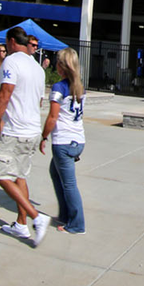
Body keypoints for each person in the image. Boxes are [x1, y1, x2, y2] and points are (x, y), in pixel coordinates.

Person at [0, 26, 51, 247]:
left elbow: (4, 96)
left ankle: (36, 217)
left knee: (0, 174)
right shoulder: (38, 68)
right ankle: (21, 225)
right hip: (32, 130)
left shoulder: (11, 61)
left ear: (11, 41)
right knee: (20, 176)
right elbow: (40, 101)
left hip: (16, 131)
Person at [41, 48, 86, 234]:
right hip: (78, 140)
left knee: (69, 184)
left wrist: (43, 137)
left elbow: (52, 117)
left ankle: (76, 224)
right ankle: (65, 215)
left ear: (61, 66)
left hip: (64, 142)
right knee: (54, 171)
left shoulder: (59, 87)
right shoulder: (79, 86)